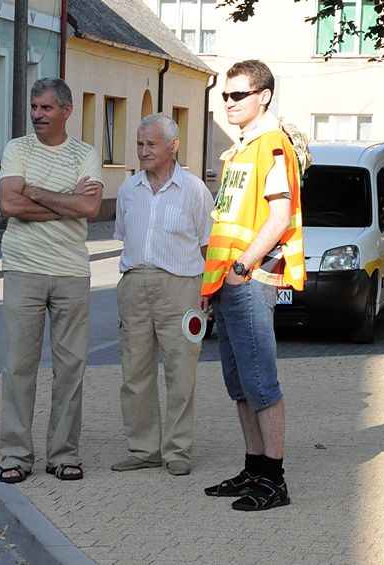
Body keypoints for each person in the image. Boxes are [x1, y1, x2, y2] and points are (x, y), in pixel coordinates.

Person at [199, 60, 306, 511]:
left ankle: (274, 481)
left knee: (261, 383)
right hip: (228, 281)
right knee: (241, 384)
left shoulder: (272, 145)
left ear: (263, 97)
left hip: (249, 279)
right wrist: (214, 284)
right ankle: (254, 469)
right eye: (225, 95)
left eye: (238, 94)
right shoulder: (239, 150)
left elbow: (279, 217)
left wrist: (242, 267)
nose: (229, 102)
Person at [0, 78, 104, 483]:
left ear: (67, 111)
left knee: (71, 367)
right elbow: (9, 203)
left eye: (46, 108)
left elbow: (90, 207)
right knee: (18, 366)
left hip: (71, 272)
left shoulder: (85, 154)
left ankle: (63, 454)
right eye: (34, 107)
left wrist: (35, 191)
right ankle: (15, 456)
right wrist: (66, 202)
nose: (38, 115)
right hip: (23, 268)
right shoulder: (17, 149)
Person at [111, 114, 213, 476]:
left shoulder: (195, 190)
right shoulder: (128, 189)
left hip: (181, 288)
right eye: (140, 144)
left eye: (151, 144)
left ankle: (177, 450)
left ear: (173, 146)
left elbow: (208, 246)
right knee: (134, 372)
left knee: (181, 371)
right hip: (135, 284)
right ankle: (143, 449)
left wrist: (207, 290)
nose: (143, 151)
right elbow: (124, 236)